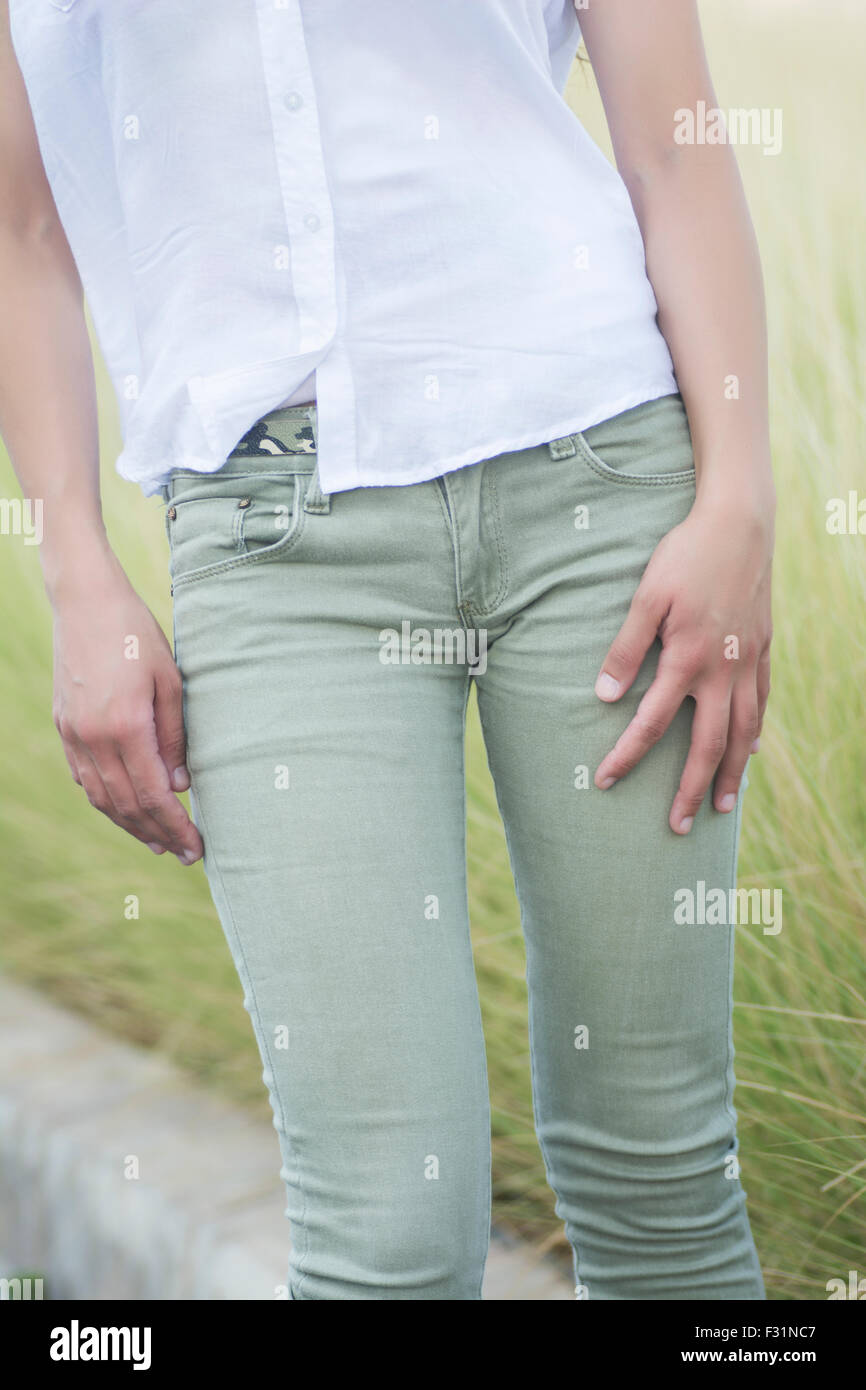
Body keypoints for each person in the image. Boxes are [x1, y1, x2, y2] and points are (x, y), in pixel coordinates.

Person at [0, 0, 773, 1300]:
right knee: (386, 1238)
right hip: (276, 548)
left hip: (598, 484)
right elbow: (21, 230)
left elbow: (674, 142)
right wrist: (75, 565)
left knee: (660, 1186)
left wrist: (739, 500)